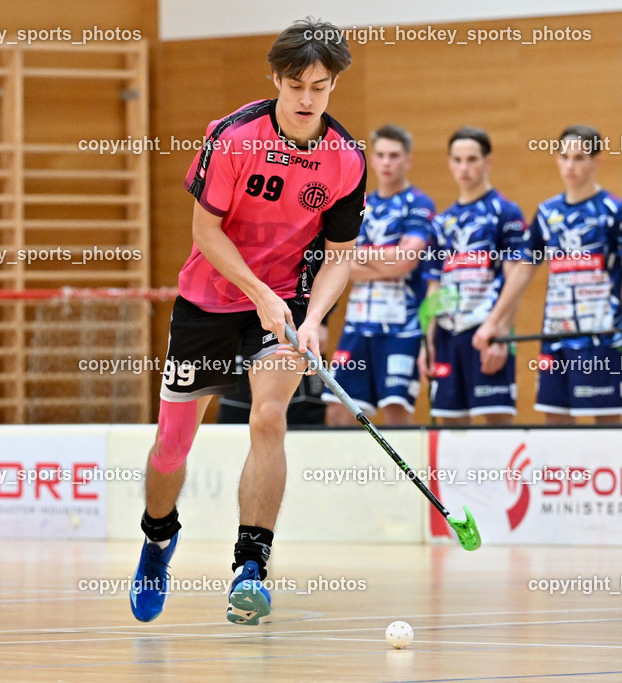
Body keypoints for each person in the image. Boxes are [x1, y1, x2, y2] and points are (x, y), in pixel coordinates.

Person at [130, 18, 365, 626]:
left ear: (333, 84)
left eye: (319, 87)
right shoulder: (233, 138)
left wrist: (313, 318)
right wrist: (256, 290)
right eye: (295, 86)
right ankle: (158, 539)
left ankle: (250, 568)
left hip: (288, 303)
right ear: (276, 80)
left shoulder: (345, 160)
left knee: (268, 418)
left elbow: (341, 256)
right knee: (172, 446)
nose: (307, 100)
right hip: (210, 301)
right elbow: (205, 231)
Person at [420, 127, 537, 425]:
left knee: (497, 424)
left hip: (486, 331)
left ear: (488, 161)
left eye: (472, 159)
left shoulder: (505, 212)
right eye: (457, 160)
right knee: (449, 427)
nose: (464, 168)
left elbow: (516, 278)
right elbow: (435, 285)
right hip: (447, 335)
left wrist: (501, 333)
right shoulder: (442, 222)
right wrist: (427, 341)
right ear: (449, 163)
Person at [323, 125, 436, 426]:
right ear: (371, 159)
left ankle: (398, 474)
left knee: (396, 409)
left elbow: (405, 260)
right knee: (337, 408)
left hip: (402, 327)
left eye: (395, 156)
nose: (387, 162)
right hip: (358, 323)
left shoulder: (419, 203)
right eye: (381, 155)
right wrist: (383, 258)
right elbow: (335, 262)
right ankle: (348, 473)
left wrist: (355, 255)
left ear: (408, 160)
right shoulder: (359, 204)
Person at [530, 126, 622, 424]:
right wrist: (494, 322)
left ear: (596, 161)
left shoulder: (612, 211)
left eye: (580, 158)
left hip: (602, 337)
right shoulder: (546, 213)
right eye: (565, 157)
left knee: (606, 424)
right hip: (556, 336)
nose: (570, 165)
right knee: (554, 420)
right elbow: (522, 269)